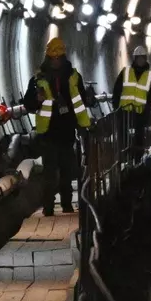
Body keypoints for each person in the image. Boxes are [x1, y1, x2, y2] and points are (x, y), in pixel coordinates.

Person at [23, 36, 92, 215]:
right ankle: (48, 207)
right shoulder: (38, 79)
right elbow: (28, 103)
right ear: (48, 58)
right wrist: (36, 100)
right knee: (49, 172)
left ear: (63, 58)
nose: (55, 61)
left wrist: (81, 124)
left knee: (66, 170)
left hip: (67, 130)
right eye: (52, 58)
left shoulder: (74, 77)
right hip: (47, 132)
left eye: (58, 58)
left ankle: (67, 205)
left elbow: (82, 100)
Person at [113, 46, 151, 160]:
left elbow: (150, 96)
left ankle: (138, 160)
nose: (140, 60)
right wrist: (116, 107)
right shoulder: (126, 71)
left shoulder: (150, 76)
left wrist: (147, 111)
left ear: (145, 59)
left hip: (140, 112)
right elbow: (117, 90)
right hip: (124, 110)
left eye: (142, 58)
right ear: (135, 59)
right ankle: (124, 159)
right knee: (123, 137)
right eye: (138, 58)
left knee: (139, 138)